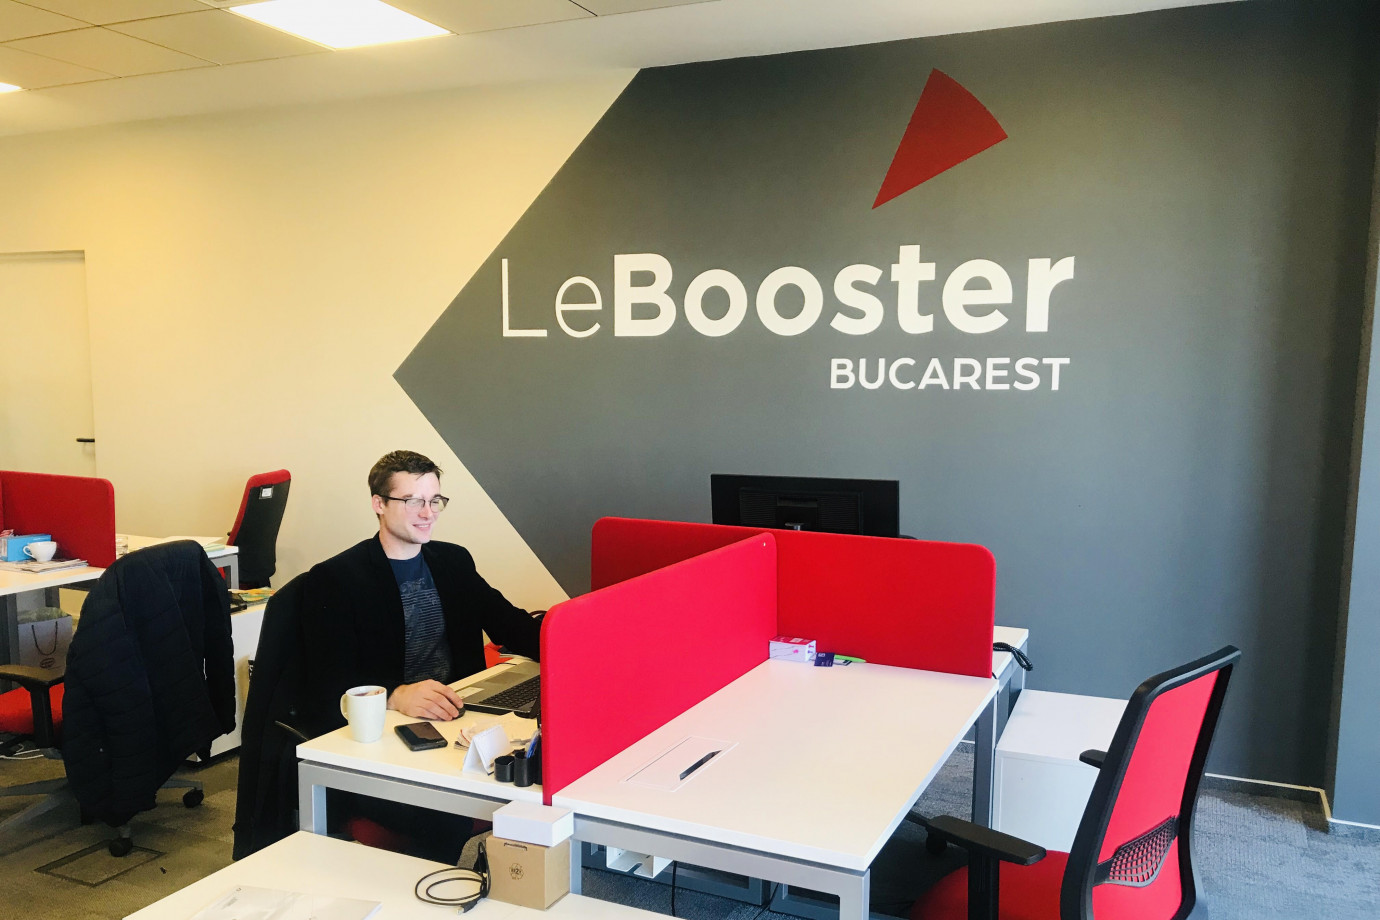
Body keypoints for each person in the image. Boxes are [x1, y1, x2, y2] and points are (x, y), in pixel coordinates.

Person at [298, 449, 543, 860]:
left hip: (457, 718)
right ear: (379, 504)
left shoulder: (452, 561)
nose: (428, 513)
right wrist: (395, 694)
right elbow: (326, 680)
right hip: (390, 737)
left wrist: (573, 643)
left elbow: (509, 624)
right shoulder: (337, 579)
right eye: (413, 501)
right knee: (449, 815)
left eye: (435, 500)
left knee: (531, 772)